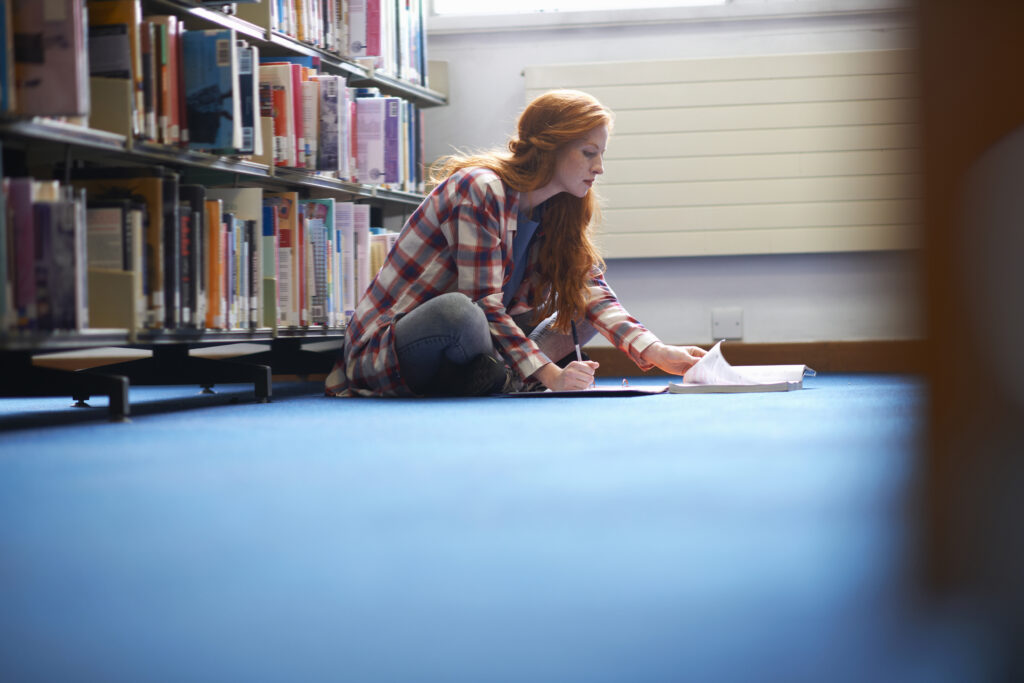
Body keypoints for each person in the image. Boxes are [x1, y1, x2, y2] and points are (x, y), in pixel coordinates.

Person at [326, 89, 707, 397]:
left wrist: (657, 352)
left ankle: (500, 378)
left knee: (582, 308)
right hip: (395, 348)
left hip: (477, 349)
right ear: (550, 148)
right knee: (461, 313)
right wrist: (553, 374)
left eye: (601, 155)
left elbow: (592, 291)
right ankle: (515, 378)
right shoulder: (481, 188)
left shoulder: (558, 209)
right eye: (588, 153)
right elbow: (484, 308)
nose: (599, 168)